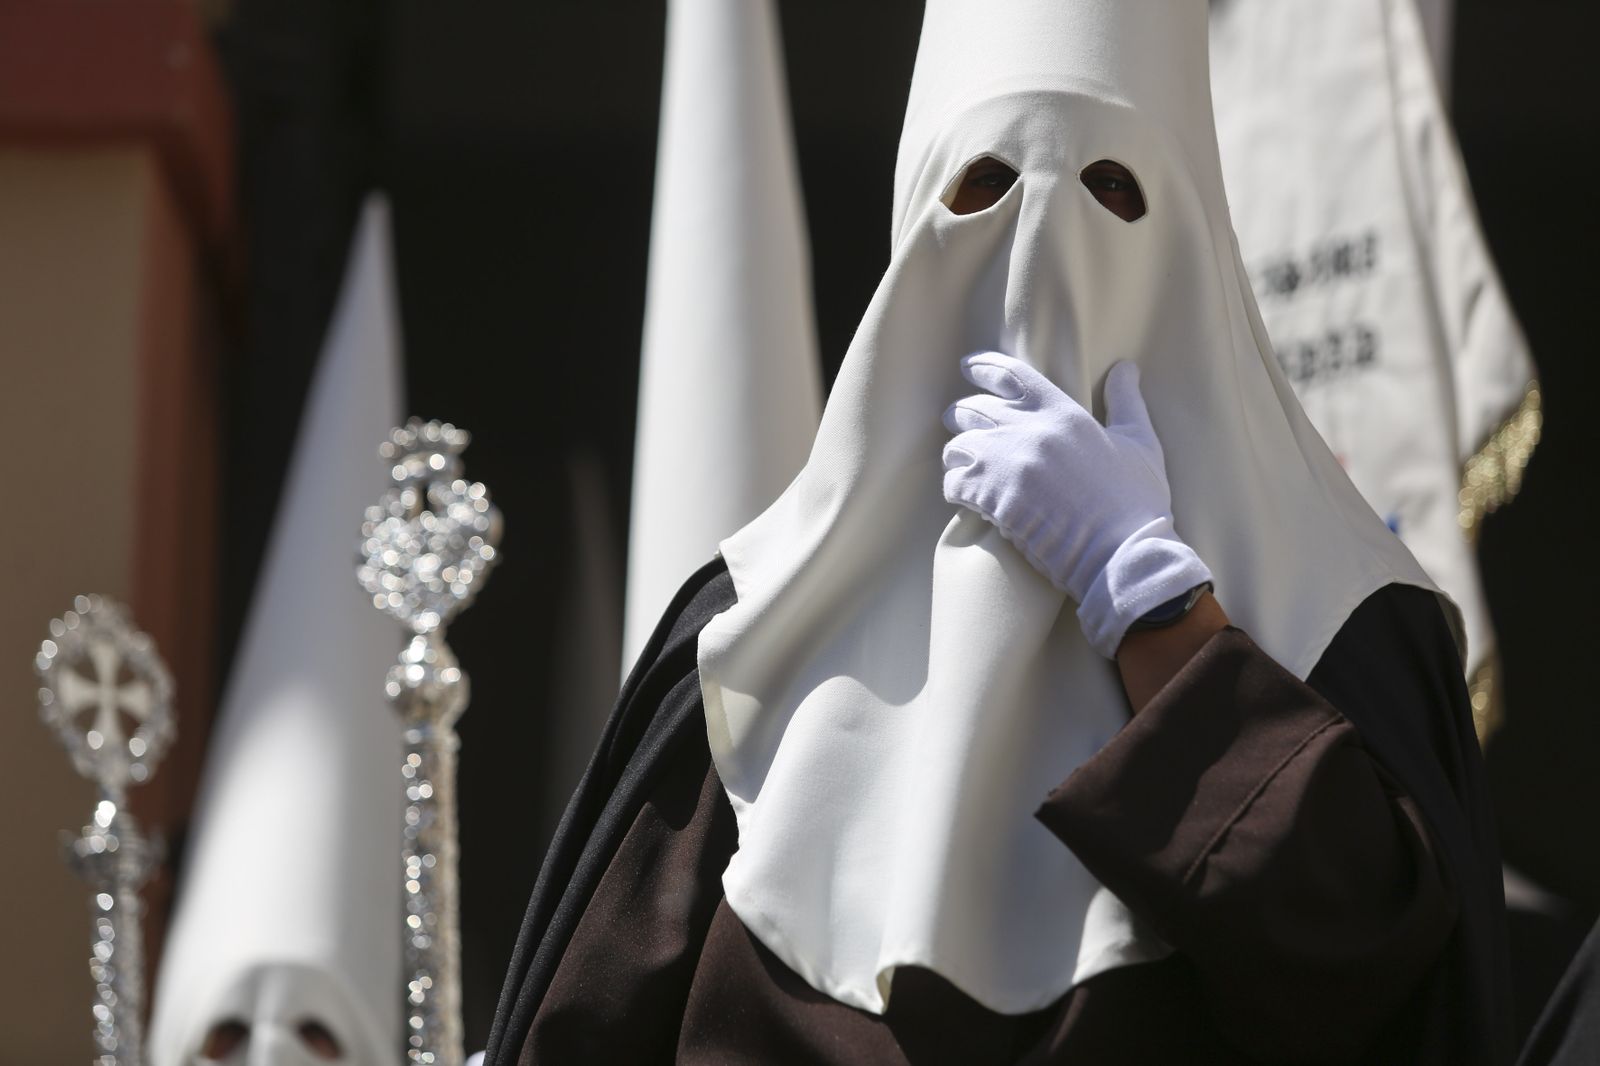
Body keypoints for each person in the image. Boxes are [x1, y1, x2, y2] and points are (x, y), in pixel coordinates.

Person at [484, 2, 1511, 1063]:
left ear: (1196, 239)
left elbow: (1381, 973)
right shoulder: (743, 633)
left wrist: (1148, 597)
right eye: (985, 186)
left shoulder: (1350, 617)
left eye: (1113, 189)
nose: (1042, 247)